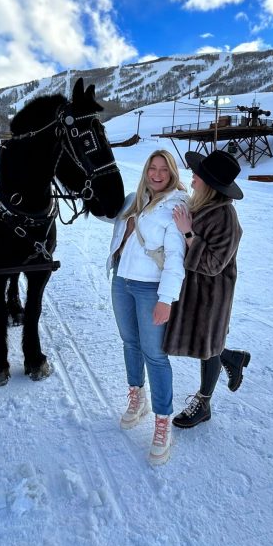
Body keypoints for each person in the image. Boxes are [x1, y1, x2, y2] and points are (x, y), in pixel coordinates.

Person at [106, 150, 188, 465]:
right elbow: (107, 218)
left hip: (149, 289)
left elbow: (175, 261)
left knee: (154, 354)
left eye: (162, 169)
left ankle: (163, 421)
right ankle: (136, 396)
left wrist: (166, 300)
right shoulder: (136, 200)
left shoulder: (176, 207)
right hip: (121, 281)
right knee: (130, 343)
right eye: (151, 168)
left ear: (172, 173)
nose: (156, 174)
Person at [163, 150, 251, 430]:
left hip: (211, 295)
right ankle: (233, 358)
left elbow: (214, 264)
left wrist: (189, 234)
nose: (192, 180)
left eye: (196, 176)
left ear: (210, 184)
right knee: (208, 344)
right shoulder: (201, 205)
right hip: (192, 291)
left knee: (208, 347)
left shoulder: (225, 216)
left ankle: (204, 403)